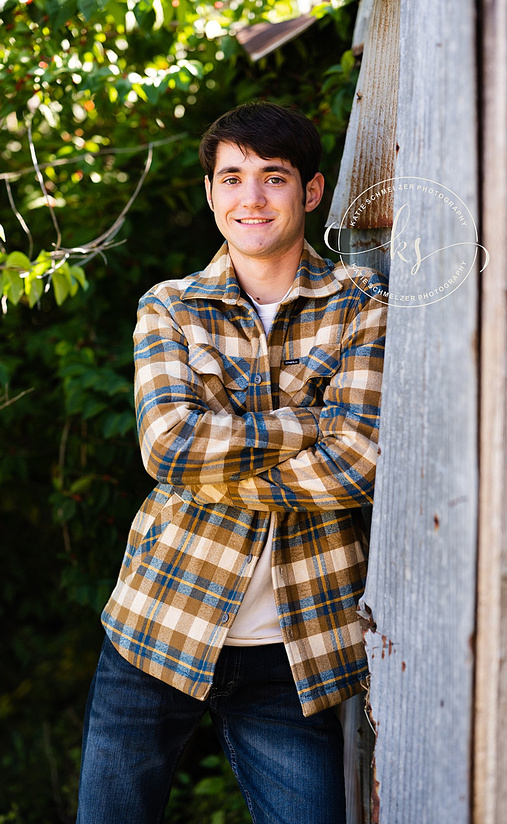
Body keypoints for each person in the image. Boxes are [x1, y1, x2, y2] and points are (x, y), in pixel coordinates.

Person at [76, 101, 386, 824]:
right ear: (211, 192)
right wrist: (310, 423)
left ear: (310, 191)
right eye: (233, 178)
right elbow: (169, 447)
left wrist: (215, 471)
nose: (251, 199)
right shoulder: (171, 308)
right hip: (157, 625)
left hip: (295, 650)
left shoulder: (361, 304)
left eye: (273, 179)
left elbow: (356, 465)